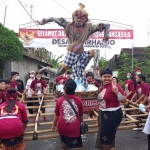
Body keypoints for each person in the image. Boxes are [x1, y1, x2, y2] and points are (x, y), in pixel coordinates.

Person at [37, 3, 110, 88]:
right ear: (73, 18)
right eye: (77, 18)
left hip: (81, 54)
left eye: (82, 18)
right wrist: (44, 21)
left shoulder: (89, 28)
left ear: (86, 20)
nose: (79, 20)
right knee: (59, 72)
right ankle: (47, 68)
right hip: (71, 54)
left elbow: (106, 25)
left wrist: (105, 38)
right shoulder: (68, 26)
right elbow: (54, 19)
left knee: (96, 52)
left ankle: (95, 70)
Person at [95, 68, 126, 150]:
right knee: (108, 137)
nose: (107, 78)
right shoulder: (102, 87)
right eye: (105, 76)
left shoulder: (116, 86)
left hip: (113, 115)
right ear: (101, 77)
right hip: (103, 114)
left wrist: (117, 92)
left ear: (112, 77)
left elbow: (124, 101)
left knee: (107, 138)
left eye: (109, 76)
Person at [51, 79, 83, 150]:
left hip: (62, 128)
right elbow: (80, 115)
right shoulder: (79, 100)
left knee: (64, 146)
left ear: (64, 89)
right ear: (75, 88)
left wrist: (53, 126)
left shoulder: (59, 100)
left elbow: (56, 114)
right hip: (74, 128)